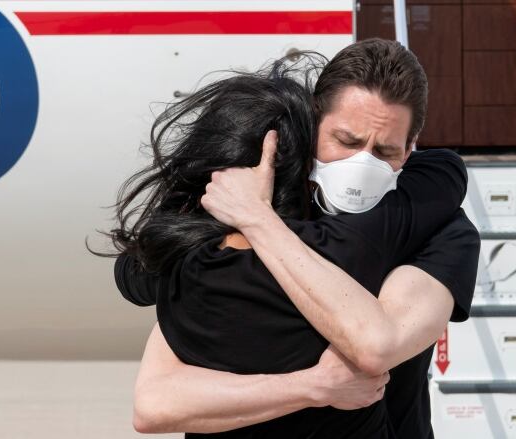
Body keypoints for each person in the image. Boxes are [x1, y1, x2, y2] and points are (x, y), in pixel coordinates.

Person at [110, 38, 480, 438]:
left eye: (385, 151)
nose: (362, 164)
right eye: (347, 141)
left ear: (409, 150)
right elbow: (156, 404)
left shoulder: (440, 231)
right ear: (312, 123)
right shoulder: (252, 214)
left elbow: (377, 346)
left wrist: (257, 221)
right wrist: (310, 388)